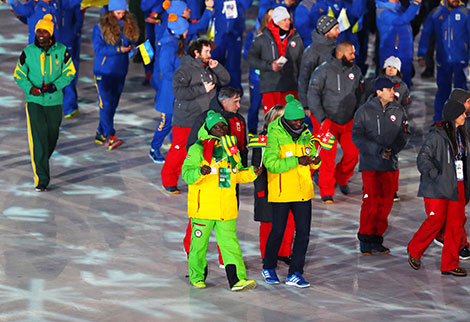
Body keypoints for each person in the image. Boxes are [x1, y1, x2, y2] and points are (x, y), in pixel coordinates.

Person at [182, 110, 262, 291]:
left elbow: (236, 174)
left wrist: (251, 173)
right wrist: (199, 173)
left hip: (226, 207)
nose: (221, 129)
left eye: (223, 126)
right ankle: (197, 277)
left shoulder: (231, 149)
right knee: (199, 246)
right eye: (216, 127)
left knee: (230, 245)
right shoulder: (197, 149)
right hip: (204, 209)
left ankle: (237, 280)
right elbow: (186, 175)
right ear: (209, 129)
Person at [182, 87, 248, 264]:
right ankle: (191, 250)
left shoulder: (239, 119)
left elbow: (242, 147)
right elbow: (192, 146)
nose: (239, 105)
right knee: (202, 215)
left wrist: (241, 170)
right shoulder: (205, 118)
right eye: (236, 101)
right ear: (224, 101)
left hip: (228, 173)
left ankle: (224, 258)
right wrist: (203, 169)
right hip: (208, 176)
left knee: (225, 214)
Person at [261, 95, 321, 288]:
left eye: (301, 120)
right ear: (286, 119)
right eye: (295, 120)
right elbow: (270, 163)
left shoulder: (305, 132)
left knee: (303, 232)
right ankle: (268, 266)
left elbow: (313, 156)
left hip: (303, 190)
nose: (299, 123)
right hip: (282, 191)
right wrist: (296, 160)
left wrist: (315, 161)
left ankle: (295, 272)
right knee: (278, 230)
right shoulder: (274, 133)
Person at [13, 14, 76, 191]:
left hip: (54, 101)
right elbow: (18, 74)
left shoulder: (61, 51)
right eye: (38, 31)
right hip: (34, 101)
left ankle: (41, 161)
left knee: (52, 137)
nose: (41, 34)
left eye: (44, 31)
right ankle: (41, 178)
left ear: (50, 33)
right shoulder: (28, 52)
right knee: (38, 139)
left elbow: (69, 72)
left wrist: (55, 86)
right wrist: (30, 89)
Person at [408, 100, 469, 277]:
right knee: (436, 221)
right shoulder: (437, 135)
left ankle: (449, 264)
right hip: (437, 185)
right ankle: (414, 249)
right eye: (462, 113)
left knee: (455, 225)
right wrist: (436, 175)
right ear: (453, 116)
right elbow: (423, 158)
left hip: (457, 184)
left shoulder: (462, 132)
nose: (465, 116)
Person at [161, 38, 230, 194]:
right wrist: (202, 89)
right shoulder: (184, 71)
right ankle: (168, 180)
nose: (209, 54)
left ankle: (201, 178)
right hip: (186, 119)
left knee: (206, 150)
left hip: (205, 119)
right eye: (206, 51)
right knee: (179, 151)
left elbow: (225, 79)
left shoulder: (208, 68)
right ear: (196, 53)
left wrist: (217, 67)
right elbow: (178, 92)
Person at [352, 78, 411, 255]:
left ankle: (376, 238)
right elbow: (357, 136)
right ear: (379, 92)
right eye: (390, 89)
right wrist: (378, 151)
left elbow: (405, 134)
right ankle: (365, 238)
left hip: (389, 165)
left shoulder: (398, 110)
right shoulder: (364, 111)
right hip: (370, 165)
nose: (394, 92)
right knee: (371, 202)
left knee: (385, 204)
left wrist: (392, 150)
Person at [308, 40, 364, 203]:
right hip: (328, 122)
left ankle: (341, 178)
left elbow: (361, 94)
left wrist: (357, 114)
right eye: (351, 53)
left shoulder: (356, 71)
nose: (354, 56)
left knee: (352, 154)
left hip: (348, 121)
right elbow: (313, 95)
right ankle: (326, 190)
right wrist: (322, 118)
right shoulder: (322, 71)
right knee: (327, 158)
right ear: (340, 54)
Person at [92, 0, 139, 150]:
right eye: (118, 13)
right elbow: (99, 50)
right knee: (105, 104)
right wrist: (119, 50)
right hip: (103, 72)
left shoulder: (127, 26)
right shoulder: (99, 28)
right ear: (111, 12)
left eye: (123, 13)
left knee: (112, 105)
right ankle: (109, 134)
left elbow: (129, 43)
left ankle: (101, 133)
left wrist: (133, 49)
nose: (121, 15)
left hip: (120, 71)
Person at [252, 105, 295, 264]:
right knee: (268, 224)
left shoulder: (291, 136)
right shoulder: (262, 140)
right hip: (269, 189)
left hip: (288, 187)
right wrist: (261, 192)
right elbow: (258, 168)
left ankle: (284, 252)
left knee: (289, 222)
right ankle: (267, 255)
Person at [417, 0, 470, 122]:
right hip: (443, 61)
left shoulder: (465, 13)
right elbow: (426, 34)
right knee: (442, 91)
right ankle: (439, 120)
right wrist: (421, 55)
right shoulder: (436, 13)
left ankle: (464, 121)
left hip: (460, 61)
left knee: (462, 92)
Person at [433, 88, 470, 260]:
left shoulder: (463, 124)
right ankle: (459, 246)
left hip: (463, 178)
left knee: (457, 215)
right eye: (468, 102)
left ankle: (444, 236)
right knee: (457, 217)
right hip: (456, 179)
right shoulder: (446, 130)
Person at [247, 6, 304, 113]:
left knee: (291, 121)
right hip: (270, 87)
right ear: (276, 22)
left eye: (288, 19)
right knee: (272, 122)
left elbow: (301, 62)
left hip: (290, 86)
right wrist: (269, 66)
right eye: (284, 20)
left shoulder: (296, 38)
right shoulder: (262, 39)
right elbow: (251, 58)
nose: (288, 22)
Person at [298, 15, 340, 135]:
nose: (339, 31)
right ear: (327, 32)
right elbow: (304, 79)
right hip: (317, 105)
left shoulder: (336, 48)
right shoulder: (312, 52)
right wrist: (305, 105)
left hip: (332, 103)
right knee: (318, 137)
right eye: (336, 28)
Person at [375, 0, 422, 89]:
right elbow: (403, 19)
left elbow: (413, 13)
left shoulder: (399, 8)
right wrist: (416, 3)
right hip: (391, 55)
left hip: (405, 55)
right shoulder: (383, 11)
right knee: (390, 87)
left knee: (404, 86)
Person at [211, 0, 253, 92]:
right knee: (216, 61)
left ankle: (233, 90)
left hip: (235, 32)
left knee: (233, 62)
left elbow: (247, 4)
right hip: (219, 31)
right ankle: (215, 89)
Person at [244, 8, 274, 134]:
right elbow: (247, 55)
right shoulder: (254, 34)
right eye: (271, 17)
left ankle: (271, 131)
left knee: (272, 107)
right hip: (256, 77)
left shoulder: (281, 34)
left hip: (273, 78)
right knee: (255, 106)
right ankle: (252, 132)